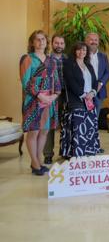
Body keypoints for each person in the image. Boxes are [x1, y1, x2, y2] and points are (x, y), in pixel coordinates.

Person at [20, 30, 61, 175]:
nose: (40, 42)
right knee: (33, 131)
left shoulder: (52, 60)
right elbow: (25, 83)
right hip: (33, 101)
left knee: (44, 131)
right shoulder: (27, 59)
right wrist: (39, 96)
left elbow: (56, 81)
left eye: (43, 39)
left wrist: (54, 96)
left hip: (49, 101)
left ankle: (38, 161)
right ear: (32, 42)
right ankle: (35, 163)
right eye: (37, 39)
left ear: (46, 42)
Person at [60, 41, 100, 158]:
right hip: (76, 100)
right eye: (79, 49)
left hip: (89, 100)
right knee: (78, 128)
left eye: (84, 50)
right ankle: (75, 153)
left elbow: (95, 81)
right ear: (74, 51)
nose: (81, 52)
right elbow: (71, 82)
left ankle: (88, 151)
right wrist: (83, 94)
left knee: (89, 127)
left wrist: (92, 92)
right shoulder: (69, 64)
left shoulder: (89, 65)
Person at [85, 32, 109, 153]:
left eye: (96, 40)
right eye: (91, 39)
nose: (94, 42)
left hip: (99, 93)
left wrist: (100, 84)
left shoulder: (103, 56)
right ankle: (84, 145)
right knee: (85, 119)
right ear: (86, 41)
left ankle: (95, 145)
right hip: (85, 93)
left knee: (95, 119)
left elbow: (107, 73)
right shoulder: (82, 54)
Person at [43, 34, 66, 165]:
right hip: (51, 96)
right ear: (52, 44)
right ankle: (47, 154)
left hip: (65, 95)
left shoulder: (68, 59)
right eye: (56, 43)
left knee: (65, 124)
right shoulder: (46, 60)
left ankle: (64, 151)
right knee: (50, 124)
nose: (59, 46)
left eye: (61, 43)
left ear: (64, 45)